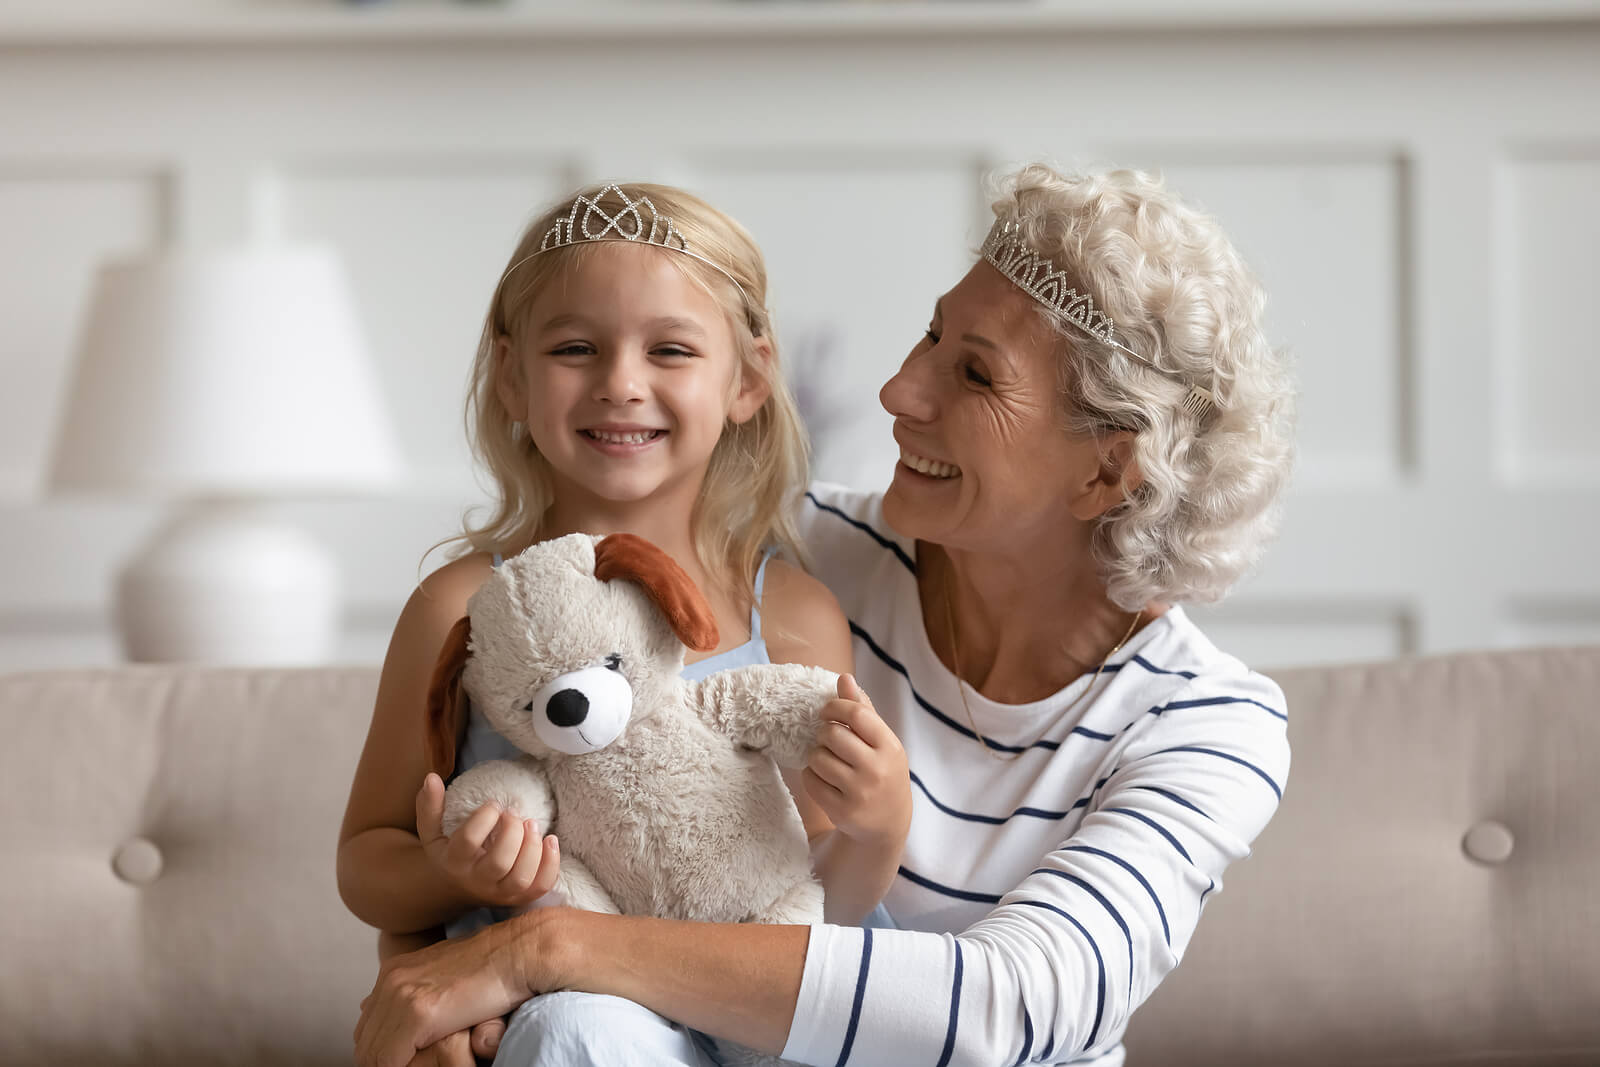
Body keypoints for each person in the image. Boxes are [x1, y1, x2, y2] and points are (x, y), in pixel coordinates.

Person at [353, 163, 1297, 1067]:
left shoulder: (1207, 725)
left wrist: (536, 953)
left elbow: (1004, 1001)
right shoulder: (816, 544)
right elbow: (414, 839)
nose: (897, 391)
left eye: (974, 374)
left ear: (1106, 471)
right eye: (931, 337)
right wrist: (433, 987)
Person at [336, 182, 914, 1066]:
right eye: (575, 347)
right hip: (563, 1023)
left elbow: (815, 902)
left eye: (671, 349)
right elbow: (366, 864)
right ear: (511, 377)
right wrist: (448, 874)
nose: (620, 385)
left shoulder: (794, 615)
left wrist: (879, 828)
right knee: (581, 1033)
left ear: (748, 381)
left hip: (752, 1018)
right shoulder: (461, 611)